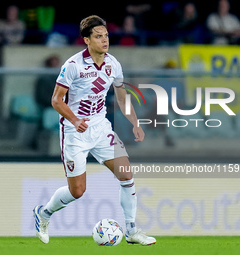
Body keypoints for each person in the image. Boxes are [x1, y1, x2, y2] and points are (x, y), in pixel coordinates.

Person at [33, 15, 156, 246]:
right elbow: (56, 101)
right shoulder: (73, 66)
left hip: (101, 129)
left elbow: (121, 98)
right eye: (98, 36)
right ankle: (44, 213)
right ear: (87, 40)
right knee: (77, 191)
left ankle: (131, 230)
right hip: (74, 132)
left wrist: (135, 123)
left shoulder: (113, 64)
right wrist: (75, 119)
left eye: (106, 35)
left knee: (127, 175)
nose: (104, 40)